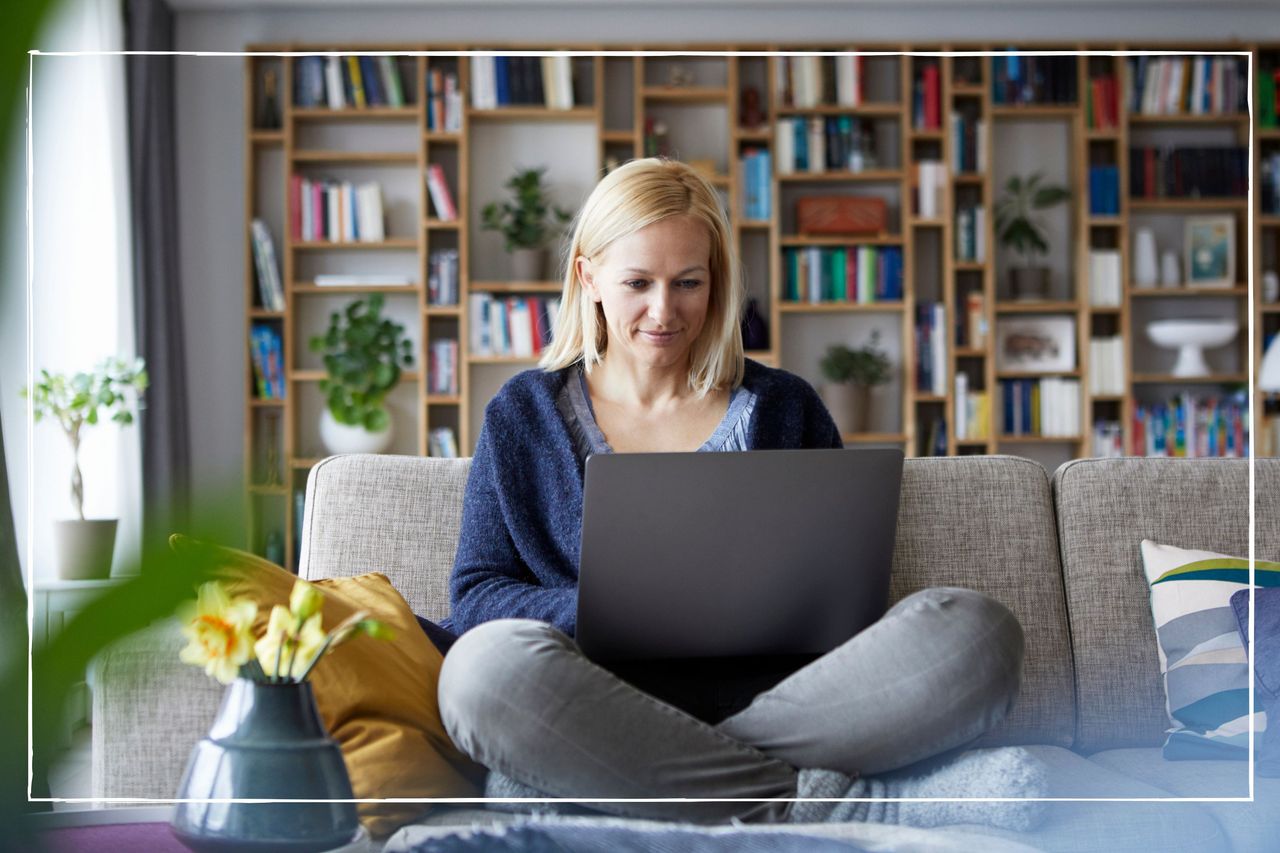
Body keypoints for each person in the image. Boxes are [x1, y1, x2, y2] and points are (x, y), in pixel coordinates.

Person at [434, 157, 1047, 828]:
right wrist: (618, 609)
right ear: (589, 276)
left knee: (979, 633)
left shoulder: (785, 407)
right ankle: (835, 803)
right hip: (597, 702)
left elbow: (839, 598)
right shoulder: (523, 413)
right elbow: (477, 595)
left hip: (789, 704)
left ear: (716, 281)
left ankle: (643, 781)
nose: (664, 311)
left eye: (688, 282)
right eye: (638, 282)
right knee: (480, 675)